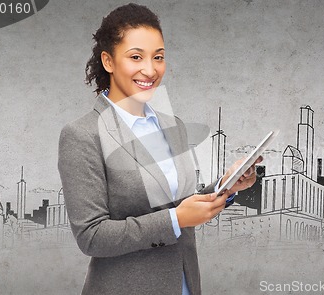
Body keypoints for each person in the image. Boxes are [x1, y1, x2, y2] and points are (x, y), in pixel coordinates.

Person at [57, 3, 261, 295]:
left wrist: (226, 187)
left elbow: (179, 204)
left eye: (159, 57)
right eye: (136, 57)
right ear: (108, 61)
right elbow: (92, 236)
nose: (150, 70)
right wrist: (175, 220)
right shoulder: (82, 135)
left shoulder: (172, 125)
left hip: (184, 284)